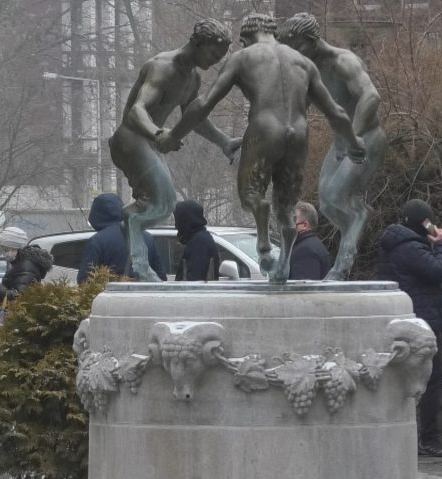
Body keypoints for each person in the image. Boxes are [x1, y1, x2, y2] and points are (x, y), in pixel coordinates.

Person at [158, 13, 364, 283]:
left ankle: (263, 234)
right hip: (299, 133)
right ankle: (283, 266)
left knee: (251, 193)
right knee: (287, 206)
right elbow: (335, 111)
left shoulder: (243, 57)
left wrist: (173, 135)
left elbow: (204, 103)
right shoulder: (303, 62)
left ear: (244, 39)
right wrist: (353, 141)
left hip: (264, 128)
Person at [111, 18, 239, 282]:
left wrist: (224, 142)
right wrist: (159, 133)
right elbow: (136, 111)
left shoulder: (192, 79)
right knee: (163, 202)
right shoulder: (163, 67)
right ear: (197, 42)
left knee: (162, 203)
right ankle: (140, 264)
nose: (215, 61)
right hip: (131, 138)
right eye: (213, 54)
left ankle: (135, 254)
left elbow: (196, 119)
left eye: (220, 57)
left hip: (148, 141)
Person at [277, 13, 386, 281]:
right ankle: (353, 226)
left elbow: (371, 97)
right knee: (326, 203)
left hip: (366, 138)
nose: (294, 54)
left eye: (297, 47)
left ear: (312, 40)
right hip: (340, 143)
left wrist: (354, 137)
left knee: (338, 197)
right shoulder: (308, 70)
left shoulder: (343, 61)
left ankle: (343, 261)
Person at [375, 199, 442, 457]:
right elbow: (438, 271)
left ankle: (412, 435)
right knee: (432, 380)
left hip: (407, 322)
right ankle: (429, 439)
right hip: (423, 325)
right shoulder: (411, 247)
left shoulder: (397, 245)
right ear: (425, 222)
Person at [77, 193, 167, 284]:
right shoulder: (147, 237)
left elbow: (85, 281)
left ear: (96, 214)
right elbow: (161, 277)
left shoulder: (96, 241)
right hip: (143, 296)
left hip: (109, 296)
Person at [0, 227, 54, 306]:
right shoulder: (20, 263)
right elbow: (5, 297)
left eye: (6, 250)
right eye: (3, 249)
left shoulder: (27, 267)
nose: (4, 254)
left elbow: (15, 298)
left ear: (17, 248)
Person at [173, 200, 220, 281]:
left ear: (186, 220)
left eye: (178, 220)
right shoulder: (199, 239)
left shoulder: (200, 243)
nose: (176, 226)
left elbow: (194, 281)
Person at [288, 201, 330, 280]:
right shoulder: (314, 245)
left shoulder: (305, 250)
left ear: (305, 225)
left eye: (293, 220)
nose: (289, 225)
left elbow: (303, 289)